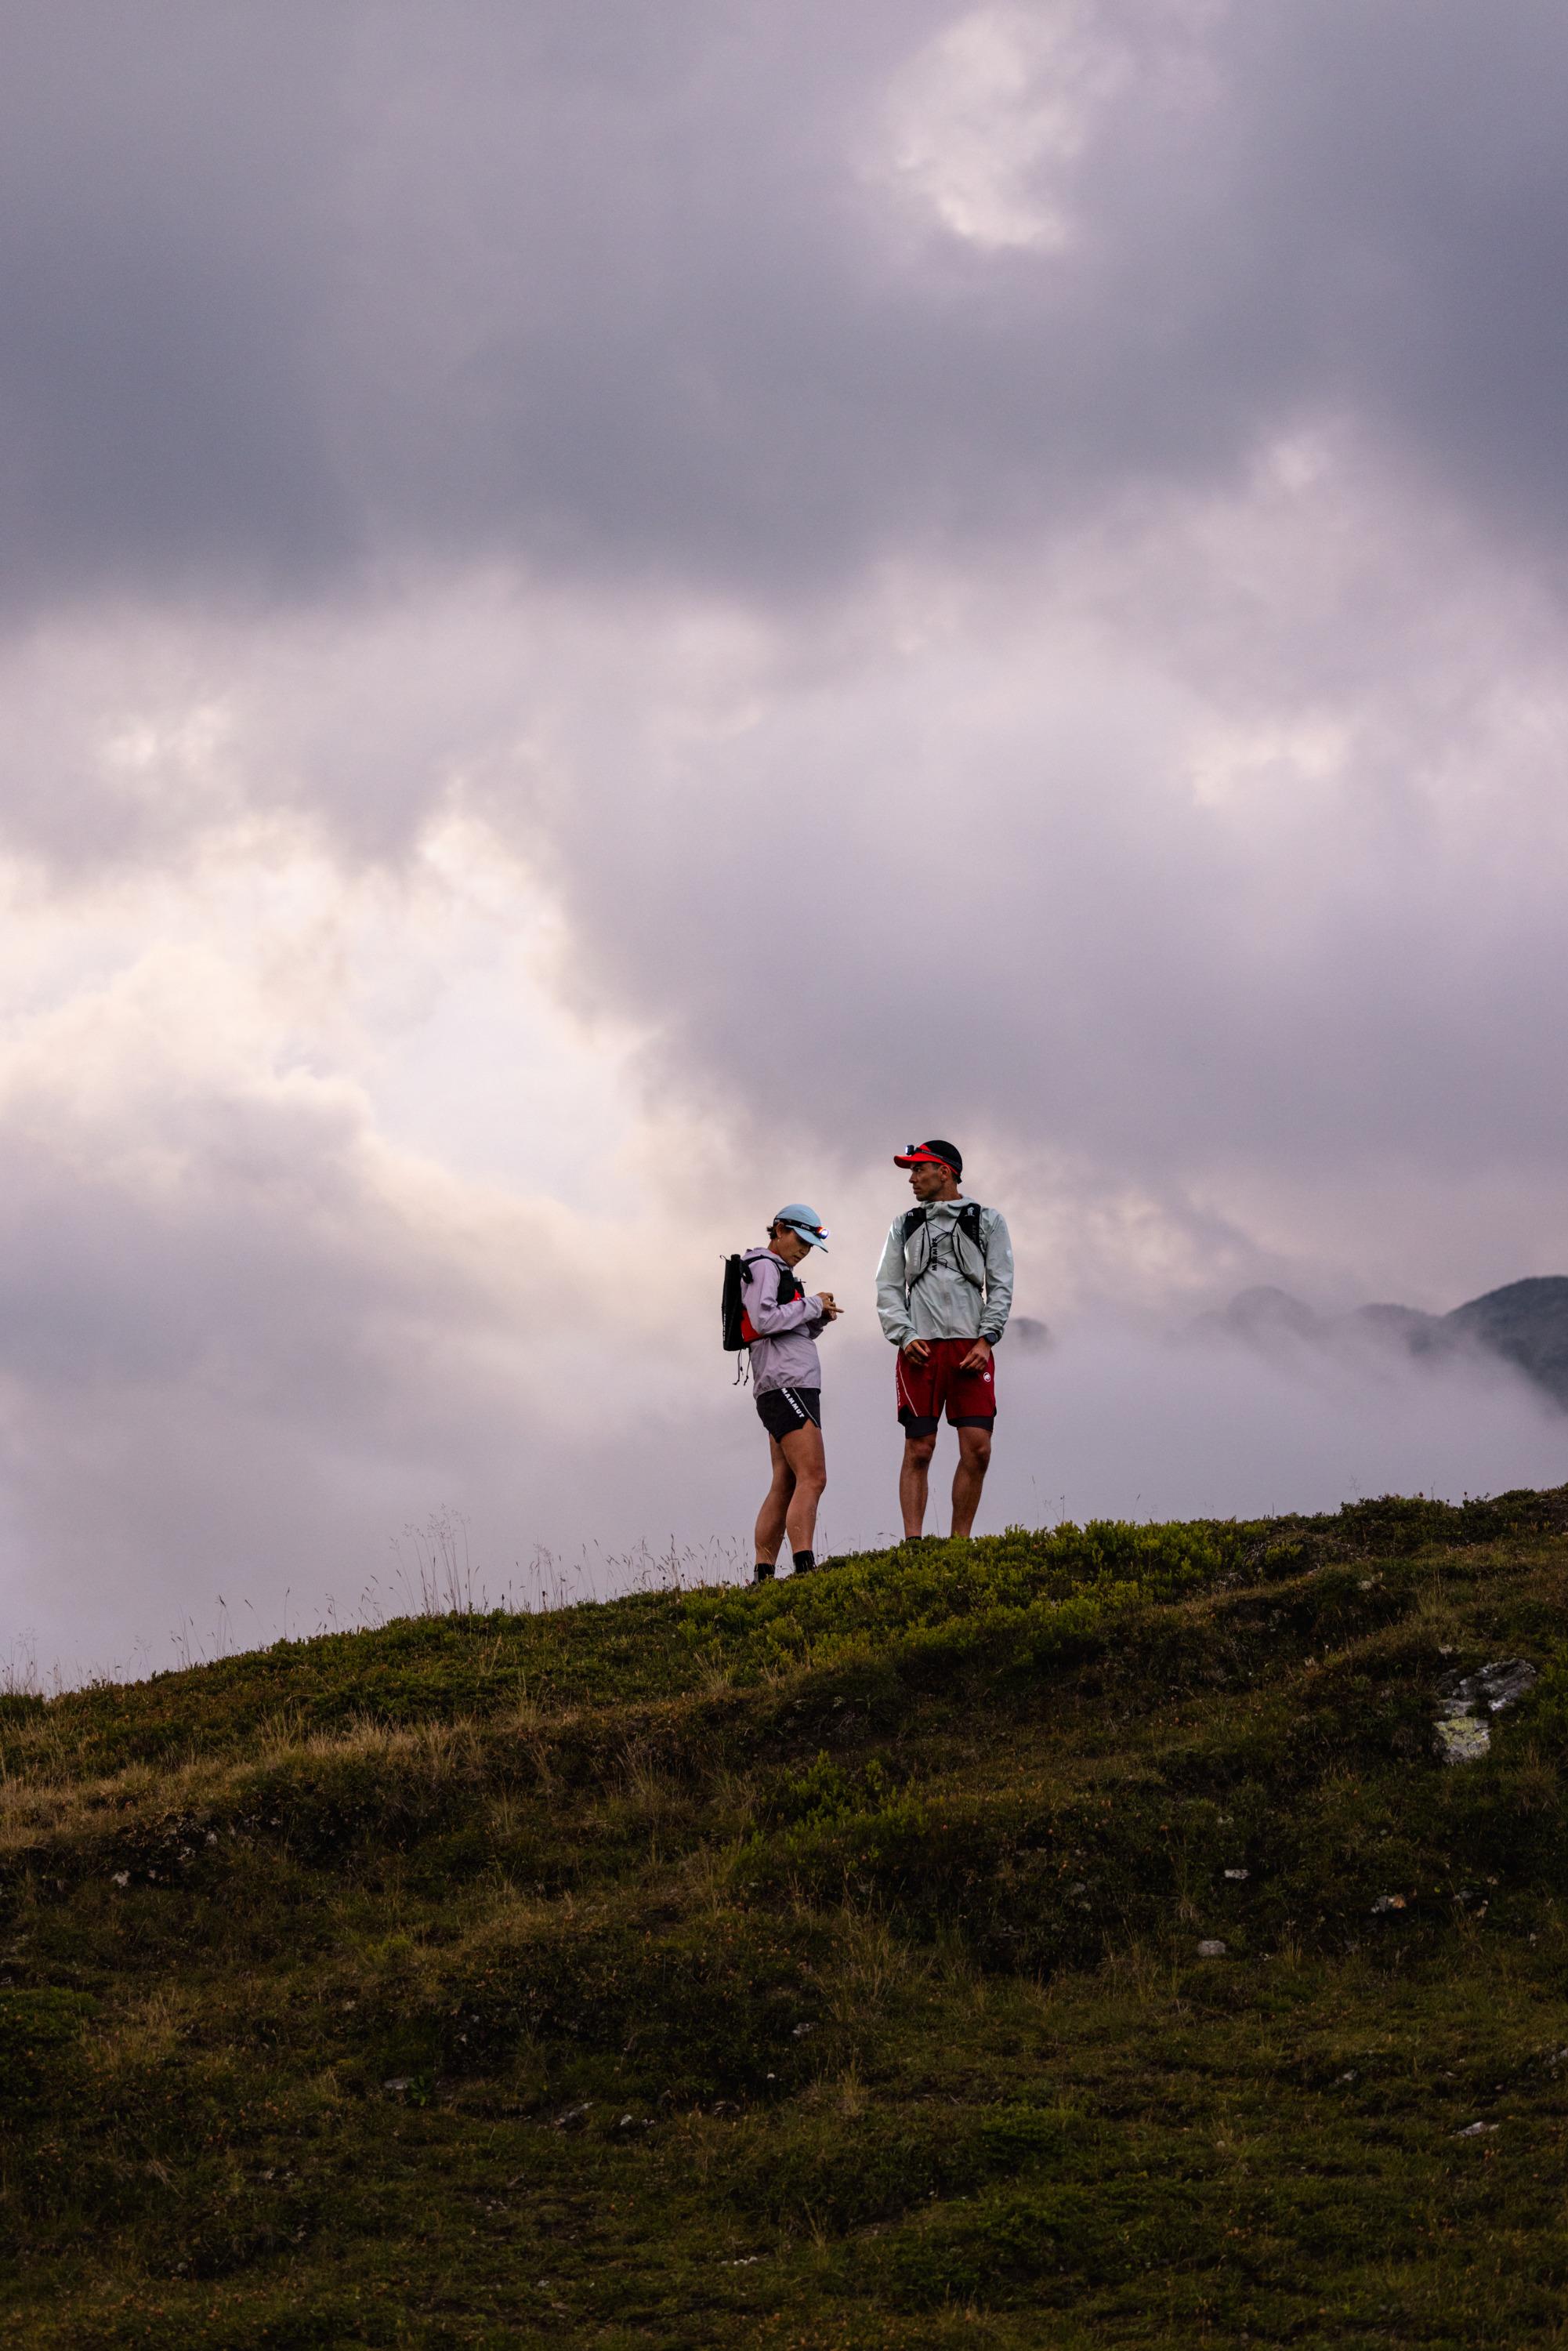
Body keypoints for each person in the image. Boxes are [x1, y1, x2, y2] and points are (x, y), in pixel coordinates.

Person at [875, 1140, 1013, 1541]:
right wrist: (904, 1336)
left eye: (919, 1170)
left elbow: (1001, 1284)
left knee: (978, 1449)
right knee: (919, 1448)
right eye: (911, 1172)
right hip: (920, 1348)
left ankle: (959, 1543)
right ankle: (914, 1543)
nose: (912, 1179)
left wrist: (987, 1339)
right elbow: (886, 1286)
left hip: (972, 1347)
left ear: (945, 1172)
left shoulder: (987, 1220)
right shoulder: (904, 1224)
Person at [740, 1204, 839, 1581]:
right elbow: (764, 1320)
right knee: (814, 1476)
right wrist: (812, 1304)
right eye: (801, 1241)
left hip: (782, 1383)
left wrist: (817, 1319)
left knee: (786, 1479)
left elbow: (788, 1329)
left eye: (812, 1246)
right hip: (787, 1383)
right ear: (780, 1230)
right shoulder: (765, 1265)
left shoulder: (777, 1270)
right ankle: (804, 1568)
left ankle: (764, 1573)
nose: (804, 1251)